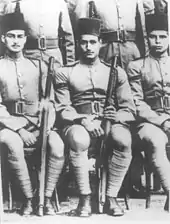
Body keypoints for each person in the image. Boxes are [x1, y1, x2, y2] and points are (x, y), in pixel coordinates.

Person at [53, 17, 136, 217]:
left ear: (100, 43)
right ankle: (85, 198)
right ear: (78, 44)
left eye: (92, 42)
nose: (88, 47)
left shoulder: (116, 72)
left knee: (123, 140)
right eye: (83, 42)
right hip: (78, 123)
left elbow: (129, 109)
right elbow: (63, 108)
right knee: (79, 139)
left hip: (109, 121)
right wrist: (83, 120)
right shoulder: (66, 72)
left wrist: (114, 116)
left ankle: (111, 197)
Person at [0, 11, 65, 216]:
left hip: (39, 124)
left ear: (26, 39)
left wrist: (43, 128)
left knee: (57, 145)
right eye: (11, 36)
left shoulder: (38, 65)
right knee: (12, 143)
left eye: (20, 36)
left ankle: (44, 197)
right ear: (3, 38)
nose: (16, 41)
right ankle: (28, 198)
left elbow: (50, 102)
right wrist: (19, 129)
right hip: (8, 125)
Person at [127, 13, 170, 211]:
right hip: (149, 122)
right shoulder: (136, 66)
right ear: (147, 39)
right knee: (156, 141)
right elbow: (137, 102)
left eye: (163, 37)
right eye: (154, 37)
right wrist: (162, 121)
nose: (158, 41)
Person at [66, 0, 155, 70]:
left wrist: (146, 52)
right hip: (106, 50)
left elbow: (145, 26)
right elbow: (82, 26)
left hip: (132, 49)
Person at [1, 0, 75, 66]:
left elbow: (68, 36)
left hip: (53, 58)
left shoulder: (59, 3)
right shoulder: (18, 4)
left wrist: (70, 64)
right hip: (28, 57)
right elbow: (7, 35)